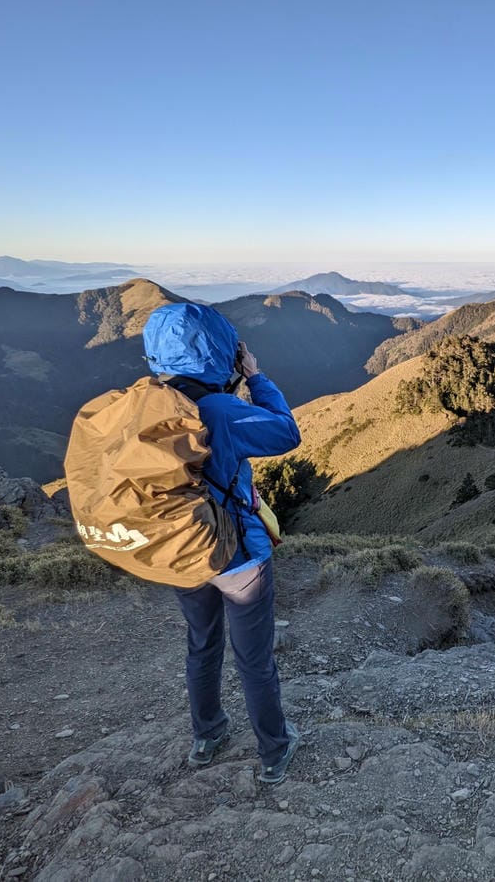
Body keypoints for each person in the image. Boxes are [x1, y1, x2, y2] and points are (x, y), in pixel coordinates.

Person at [142, 302, 302, 783]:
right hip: (235, 554)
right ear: (218, 353)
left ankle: (207, 736)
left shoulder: (149, 405)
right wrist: (256, 376)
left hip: (180, 548)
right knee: (253, 656)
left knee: (202, 643)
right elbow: (286, 432)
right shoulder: (219, 409)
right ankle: (274, 751)